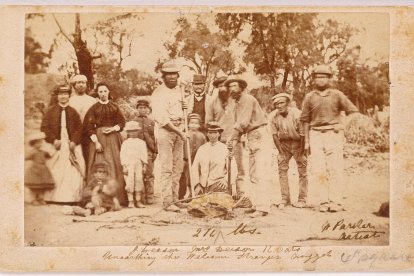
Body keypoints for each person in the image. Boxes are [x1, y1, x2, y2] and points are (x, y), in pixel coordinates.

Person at [300, 64, 359, 212]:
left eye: (324, 77)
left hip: (333, 134)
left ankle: (336, 201)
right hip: (315, 134)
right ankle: (323, 201)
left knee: (335, 168)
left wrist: (342, 125)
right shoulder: (309, 97)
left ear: (329, 78)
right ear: (314, 79)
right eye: (318, 77)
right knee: (319, 169)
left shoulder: (337, 94)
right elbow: (305, 120)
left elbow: (353, 112)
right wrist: (307, 141)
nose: (321, 80)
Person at [225, 76, 273, 218]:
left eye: (235, 86)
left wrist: (231, 138)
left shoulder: (247, 99)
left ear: (241, 87)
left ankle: (263, 207)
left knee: (260, 172)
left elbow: (243, 123)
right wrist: (233, 141)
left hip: (259, 134)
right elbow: (239, 125)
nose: (232, 89)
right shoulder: (237, 103)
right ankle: (257, 204)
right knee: (253, 174)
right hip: (251, 136)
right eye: (230, 87)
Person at [150, 60, 187, 212]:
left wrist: (186, 107)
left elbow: (184, 113)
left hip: (179, 129)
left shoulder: (180, 91)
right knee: (166, 167)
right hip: (166, 131)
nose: (172, 77)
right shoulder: (158, 93)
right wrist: (179, 132)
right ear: (163, 77)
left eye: (174, 74)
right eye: (168, 75)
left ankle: (175, 198)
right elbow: (161, 118)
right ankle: (167, 201)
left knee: (178, 167)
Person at [83, 82, 127, 206]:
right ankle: (98, 198)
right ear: (98, 93)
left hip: (113, 139)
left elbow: (122, 122)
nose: (103, 93)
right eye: (100, 91)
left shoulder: (114, 107)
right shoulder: (94, 108)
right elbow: (88, 126)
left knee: (115, 164)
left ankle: (117, 197)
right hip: (99, 139)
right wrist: (96, 142)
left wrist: (113, 129)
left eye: (105, 91)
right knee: (100, 165)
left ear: (109, 92)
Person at [41, 85, 85, 204]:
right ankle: (52, 197)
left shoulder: (73, 111)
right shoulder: (50, 111)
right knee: (53, 166)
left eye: (65, 94)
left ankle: (72, 197)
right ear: (57, 96)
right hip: (56, 144)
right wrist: (54, 140)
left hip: (71, 144)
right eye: (60, 94)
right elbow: (44, 128)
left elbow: (79, 128)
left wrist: (74, 141)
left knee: (75, 168)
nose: (63, 96)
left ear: (69, 96)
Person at [205, 75, 246, 198]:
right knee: (218, 168)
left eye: (224, 85)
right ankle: (221, 193)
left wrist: (238, 135)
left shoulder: (236, 100)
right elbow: (208, 122)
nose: (222, 88)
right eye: (219, 86)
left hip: (234, 139)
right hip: (219, 141)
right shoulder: (212, 102)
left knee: (238, 168)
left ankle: (240, 195)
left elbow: (243, 119)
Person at [269, 92, 308, 209]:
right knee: (282, 169)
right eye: (276, 104)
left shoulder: (297, 114)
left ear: (287, 103)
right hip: (284, 144)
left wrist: (302, 152)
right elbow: (275, 135)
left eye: (281, 103)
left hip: (298, 143)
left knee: (302, 171)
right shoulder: (273, 116)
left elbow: (303, 135)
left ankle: (302, 199)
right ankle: (285, 198)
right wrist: (280, 152)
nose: (279, 106)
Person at [192, 121, 229, 195]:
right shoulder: (202, 149)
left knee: (217, 204)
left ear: (219, 134)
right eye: (210, 132)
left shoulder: (225, 149)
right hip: (203, 186)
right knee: (197, 204)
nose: (212, 135)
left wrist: (226, 179)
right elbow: (194, 168)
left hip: (219, 184)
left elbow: (233, 168)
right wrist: (197, 184)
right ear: (207, 134)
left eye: (215, 132)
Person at [68, 74, 97, 165]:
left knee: (90, 157)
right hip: (74, 134)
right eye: (78, 83)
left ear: (86, 84)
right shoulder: (70, 100)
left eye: (83, 83)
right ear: (74, 85)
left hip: (89, 133)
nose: (81, 85)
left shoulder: (92, 100)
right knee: (77, 157)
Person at [178, 113, 207, 199]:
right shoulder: (185, 134)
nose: (193, 125)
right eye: (192, 123)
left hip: (197, 160)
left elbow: (204, 148)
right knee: (186, 176)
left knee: (195, 175)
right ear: (188, 124)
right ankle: (185, 193)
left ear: (199, 125)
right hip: (187, 159)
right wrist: (183, 158)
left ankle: (195, 192)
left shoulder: (202, 136)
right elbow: (181, 147)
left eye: (196, 123)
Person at [120, 121, 148, 208]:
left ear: (138, 131)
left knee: (139, 180)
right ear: (128, 132)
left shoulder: (141, 142)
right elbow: (123, 155)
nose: (133, 133)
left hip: (138, 164)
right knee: (129, 181)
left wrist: (145, 165)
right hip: (129, 164)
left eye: (135, 131)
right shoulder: (125, 143)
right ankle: (130, 201)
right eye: (131, 131)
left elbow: (144, 154)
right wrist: (124, 166)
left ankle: (138, 200)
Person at [135, 99, 157, 205]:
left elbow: (154, 137)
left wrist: (155, 151)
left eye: (145, 108)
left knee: (149, 173)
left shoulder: (151, 122)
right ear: (137, 109)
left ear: (148, 109)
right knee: (139, 173)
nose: (142, 110)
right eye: (140, 108)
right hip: (137, 151)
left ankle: (150, 195)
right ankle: (141, 196)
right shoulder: (133, 121)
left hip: (148, 150)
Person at [25, 132, 55, 205]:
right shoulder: (33, 152)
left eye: (40, 143)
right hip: (35, 170)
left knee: (42, 186)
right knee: (35, 186)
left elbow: (49, 156)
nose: (39, 145)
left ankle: (40, 198)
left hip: (43, 169)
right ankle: (34, 199)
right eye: (37, 143)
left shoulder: (43, 152)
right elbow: (26, 157)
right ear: (33, 144)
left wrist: (50, 153)